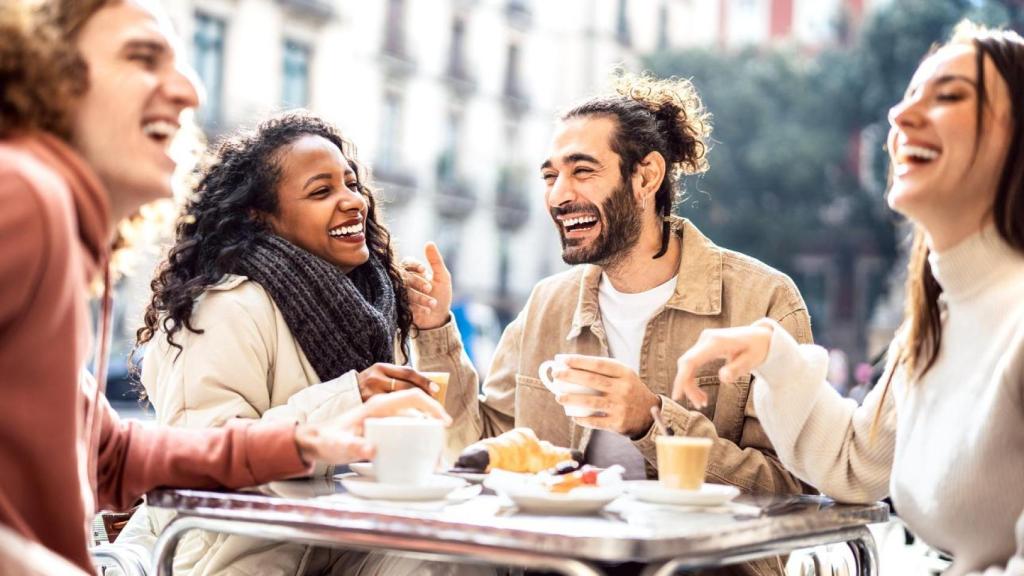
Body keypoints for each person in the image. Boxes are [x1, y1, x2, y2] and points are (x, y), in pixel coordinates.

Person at [0, 1, 448, 573]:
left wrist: (310, 441)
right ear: (42, 80)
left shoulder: (56, 224)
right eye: (142, 57)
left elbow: (110, 457)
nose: (189, 89)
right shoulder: (25, 197)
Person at [406, 75, 814, 576]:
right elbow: (482, 448)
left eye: (582, 171)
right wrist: (434, 328)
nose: (559, 195)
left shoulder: (763, 300)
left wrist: (651, 420)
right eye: (550, 176)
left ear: (646, 178)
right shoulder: (546, 305)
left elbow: (791, 491)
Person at [672, 22, 1024, 576]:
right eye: (907, 98)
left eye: (950, 95)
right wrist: (772, 354)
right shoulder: (936, 325)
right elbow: (857, 463)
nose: (899, 118)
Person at [115, 111, 444, 575]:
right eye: (321, 191)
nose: (353, 202)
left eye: (351, 184)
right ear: (260, 215)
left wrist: (435, 328)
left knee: (458, 559)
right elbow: (201, 460)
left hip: (341, 545)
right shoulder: (223, 307)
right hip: (239, 561)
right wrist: (350, 399)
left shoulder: (373, 307)